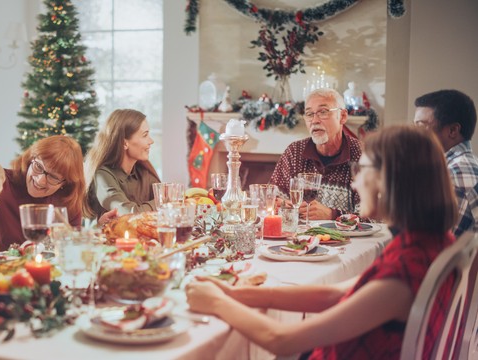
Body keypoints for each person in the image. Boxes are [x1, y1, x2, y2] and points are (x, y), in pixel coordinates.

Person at [186, 125, 458, 358]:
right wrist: (235, 294)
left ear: (390, 179)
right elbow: (337, 294)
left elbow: (281, 339)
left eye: (361, 170)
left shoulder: (403, 273)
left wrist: (217, 303)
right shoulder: (426, 242)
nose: (354, 182)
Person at [270, 88, 362, 220]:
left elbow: (374, 218)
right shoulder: (294, 152)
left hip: (347, 240)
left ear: (342, 116)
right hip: (299, 239)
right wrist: (287, 206)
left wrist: (333, 215)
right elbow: (270, 201)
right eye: (309, 114)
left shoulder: (362, 156)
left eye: (323, 112)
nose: (314, 120)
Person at [414, 89, 478, 237]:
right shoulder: (467, 164)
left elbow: (437, 246)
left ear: (453, 130)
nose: (414, 134)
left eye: (421, 126)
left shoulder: (455, 173)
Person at [84, 109, 161, 220]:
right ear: (125, 143)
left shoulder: (144, 171)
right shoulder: (103, 175)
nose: (151, 141)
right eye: (145, 135)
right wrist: (165, 202)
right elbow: (129, 214)